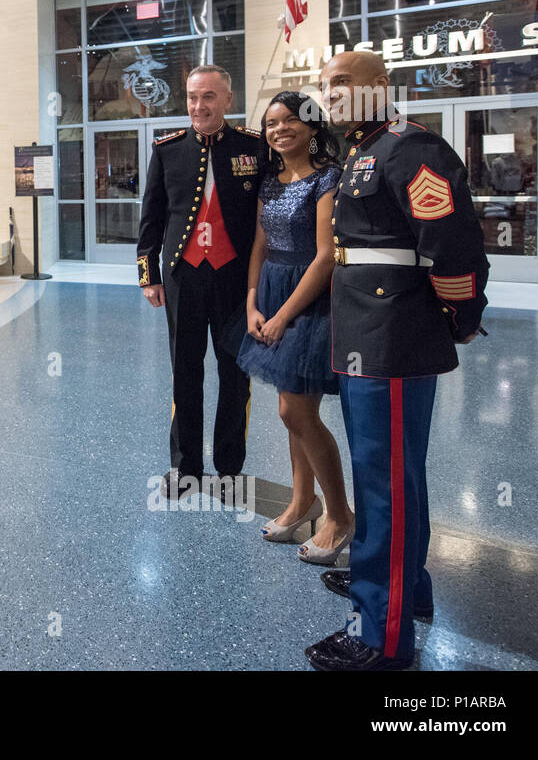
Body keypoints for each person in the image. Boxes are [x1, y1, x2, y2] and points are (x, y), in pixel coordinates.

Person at [305, 50, 489, 671]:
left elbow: (453, 247)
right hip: (367, 331)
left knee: (384, 483)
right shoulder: (365, 148)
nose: (328, 93)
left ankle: (381, 636)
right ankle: (400, 589)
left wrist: (460, 318)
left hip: (393, 336)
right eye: (323, 85)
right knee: (390, 476)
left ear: (379, 86)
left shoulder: (412, 147)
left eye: (341, 83)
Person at [236, 91, 354, 564]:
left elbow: (327, 255)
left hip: (312, 297)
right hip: (270, 290)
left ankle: (340, 515)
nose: (279, 130)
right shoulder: (270, 181)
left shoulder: (329, 179)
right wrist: (251, 303)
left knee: (295, 412)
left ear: (311, 127)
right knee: (291, 408)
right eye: (270, 124)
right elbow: (259, 247)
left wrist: (284, 314)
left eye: (289, 122)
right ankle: (302, 502)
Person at [137, 64, 264, 499]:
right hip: (183, 279)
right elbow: (151, 217)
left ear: (228, 100)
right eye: (192, 97)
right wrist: (148, 275)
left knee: (236, 376)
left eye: (208, 96)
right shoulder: (168, 149)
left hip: (235, 281)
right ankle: (184, 468)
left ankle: (230, 470)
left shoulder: (254, 147)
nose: (198, 105)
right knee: (184, 373)